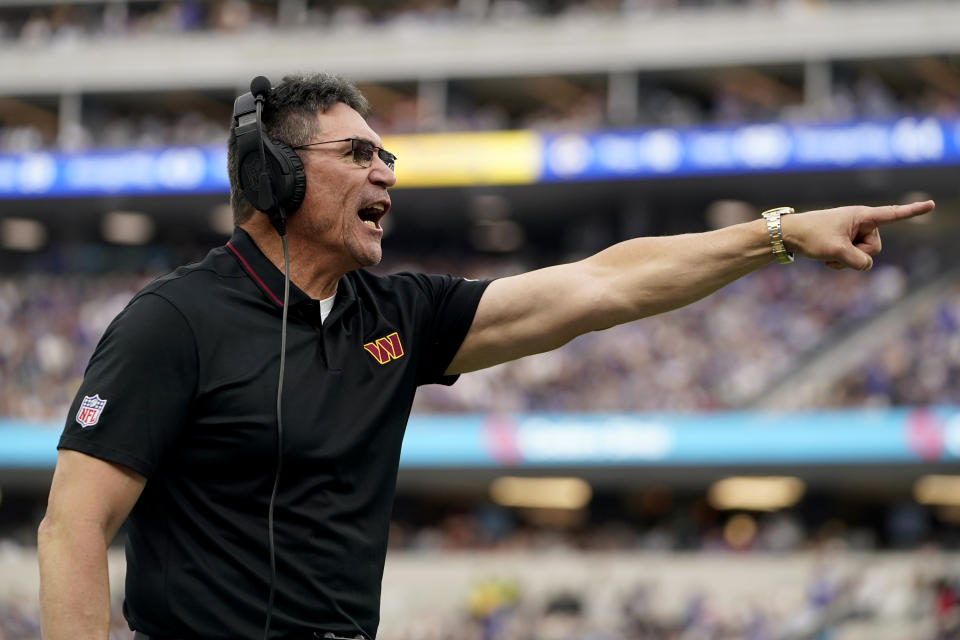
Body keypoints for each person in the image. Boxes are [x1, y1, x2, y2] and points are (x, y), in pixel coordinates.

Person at [37, 72, 935, 640]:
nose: (386, 171)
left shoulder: (401, 314)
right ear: (275, 173)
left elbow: (603, 285)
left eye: (386, 153)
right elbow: (73, 527)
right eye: (358, 153)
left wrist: (772, 235)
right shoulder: (171, 323)